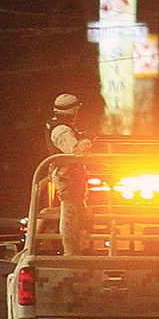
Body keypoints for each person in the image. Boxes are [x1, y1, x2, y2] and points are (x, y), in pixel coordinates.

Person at [46, 93, 93, 255]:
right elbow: (74, 151)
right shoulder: (61, 130)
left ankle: (77, 248)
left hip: (69, 176)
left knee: (76, 212)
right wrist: (87, 141)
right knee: (70, 214)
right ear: (72, 111)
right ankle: (71, 251)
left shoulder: (61, 128)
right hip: (67, 177)